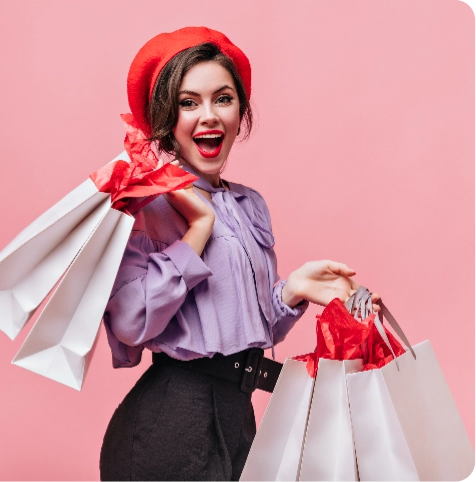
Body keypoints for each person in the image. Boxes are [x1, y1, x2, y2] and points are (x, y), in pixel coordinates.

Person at [99, 26, 379, 482]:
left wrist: (292, 291)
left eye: (222, 98)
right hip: (168, 428)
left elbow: (242, 326)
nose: (208, 116)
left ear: (240, 111)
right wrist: (198, 229)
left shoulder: (249, 204)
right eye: (188, 103)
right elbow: (130, 324)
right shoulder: (144, 207)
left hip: (239, 417)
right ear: (165, 118)